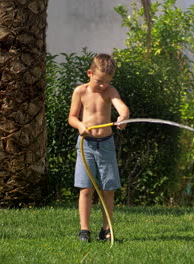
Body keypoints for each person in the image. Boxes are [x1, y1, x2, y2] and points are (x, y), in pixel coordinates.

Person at [68, 53, 130, 242]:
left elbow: (122, 107)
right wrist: (80, 126)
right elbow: (72, 117)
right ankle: (84, 230)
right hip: (86, 145)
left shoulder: (110, 91)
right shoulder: (80, 92)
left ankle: (106, 229)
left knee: (108, 189)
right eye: (99, 81)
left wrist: (123, 117)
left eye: (107, 81)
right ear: (90, 73)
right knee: (86, 188)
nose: (103, 85)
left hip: (106, 145)